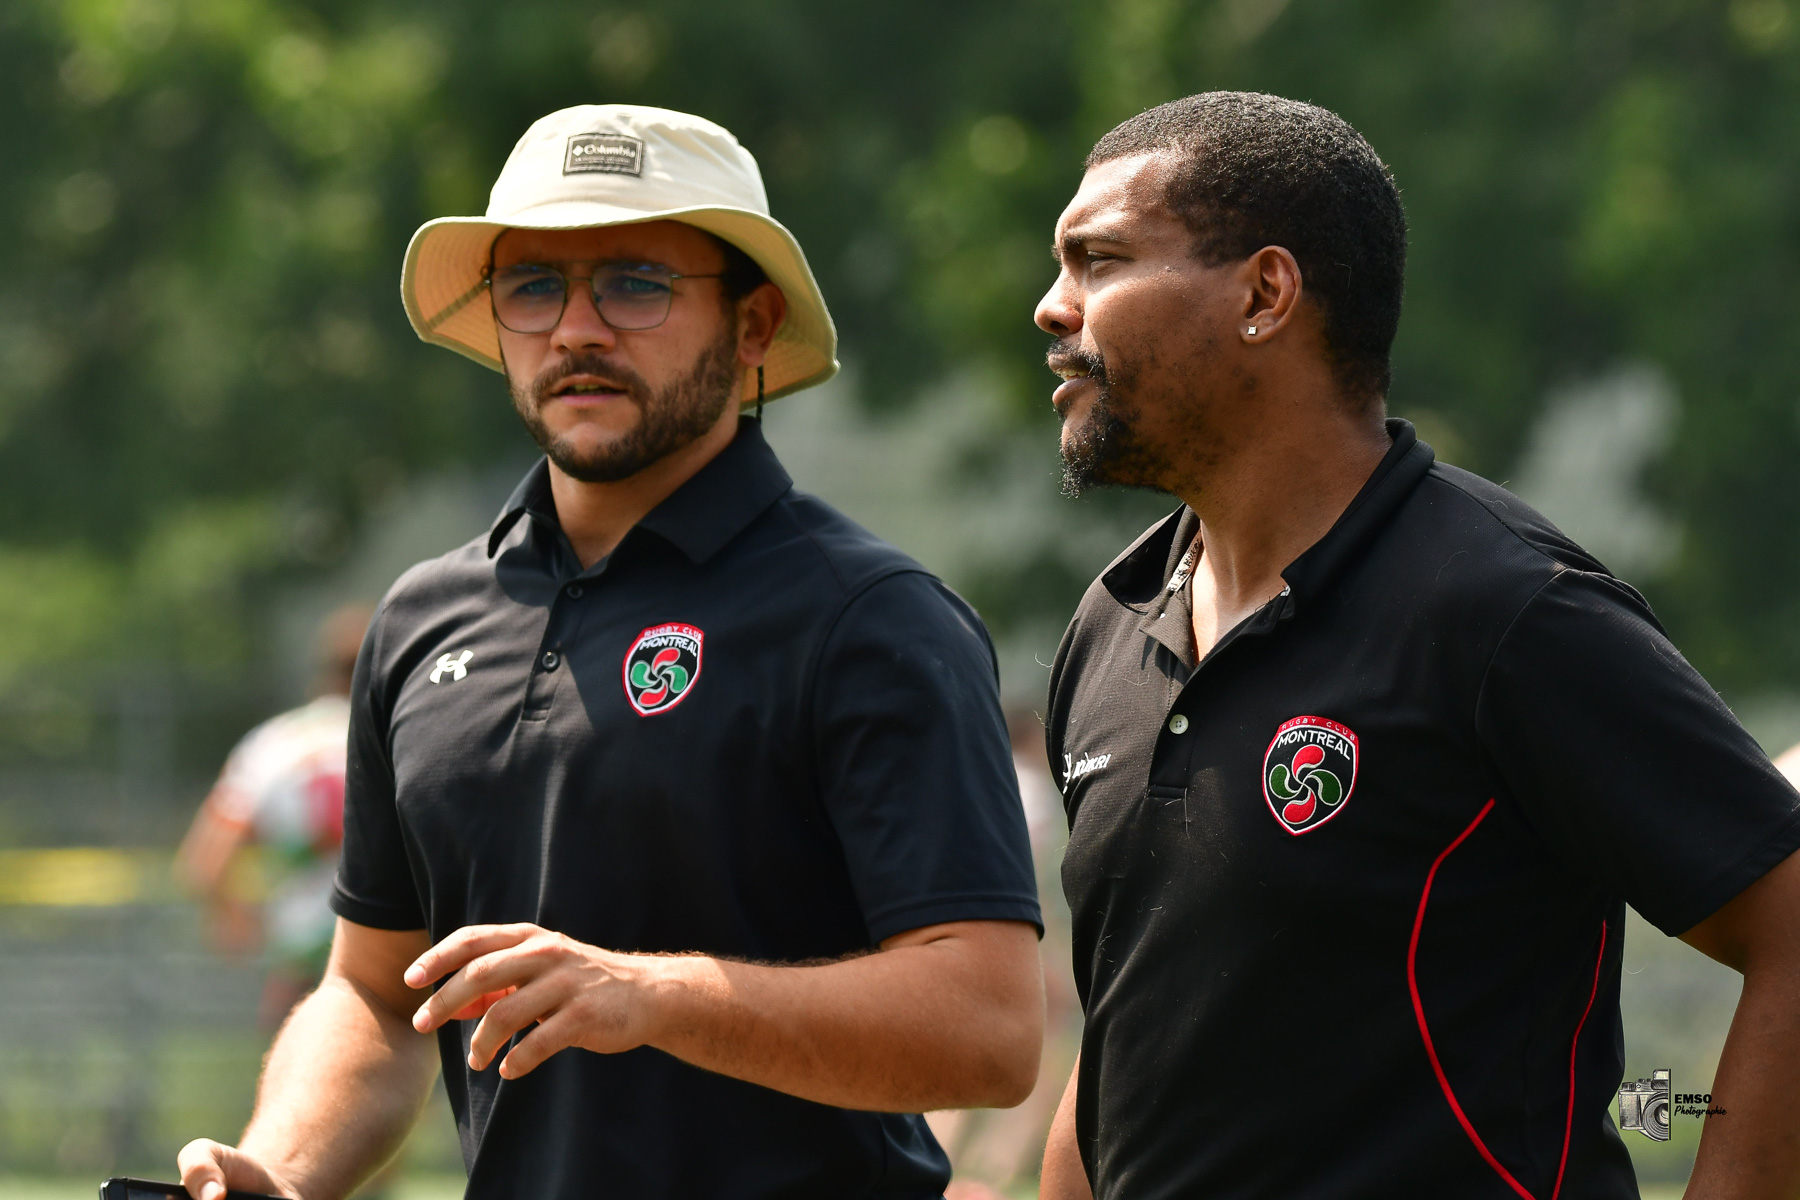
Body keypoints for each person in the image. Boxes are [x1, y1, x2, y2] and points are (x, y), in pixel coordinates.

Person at [178, 104, 1044, 1200]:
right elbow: (380, 996)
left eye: (635, 282)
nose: (576, 329)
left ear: (751, 323)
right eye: (534, 286)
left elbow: (989, 1028)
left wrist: (654, 997)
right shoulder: (421, 619)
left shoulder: (872, 616)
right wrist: (281, 1172)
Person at [1033, 92, 1800, 1199]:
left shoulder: (1504, 609)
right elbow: (1130, 1039)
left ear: (1264, 293)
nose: (1054, 309)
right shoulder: (1112, 622)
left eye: (1098, 262)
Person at [177, 603, 371, 1028]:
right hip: (391, 951)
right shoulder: (404, 737)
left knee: (295, 1079)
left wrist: (234, 917)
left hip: (302, 950)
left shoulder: (273, 744)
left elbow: (204, 862)